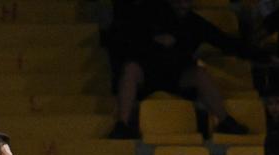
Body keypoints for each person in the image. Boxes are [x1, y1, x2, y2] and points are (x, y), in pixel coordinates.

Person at [107, 0, 254, 138]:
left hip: (177, 76)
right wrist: (153, 40)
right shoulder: (149, 13)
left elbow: (224, 41)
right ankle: (123, 125)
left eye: (186, 1)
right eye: (179, 1)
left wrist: (263, 56)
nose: (182, 5)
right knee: (130, 68)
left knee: (200, 73)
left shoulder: (195, 23)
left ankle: (225, 121)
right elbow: (123, 38)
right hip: (147, 74)